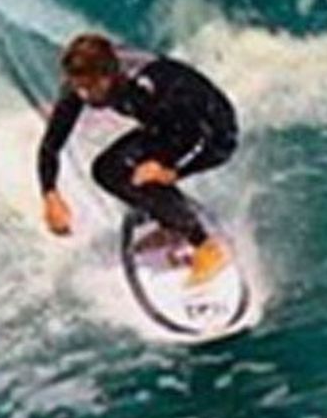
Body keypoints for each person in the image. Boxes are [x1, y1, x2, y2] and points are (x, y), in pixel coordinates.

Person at [37, 32, 238, 285]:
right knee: (107, 170)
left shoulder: (148, 86)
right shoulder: (84, 83)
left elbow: (209, 139)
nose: (83, 96)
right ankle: (172, 223)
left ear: (108, 76)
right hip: (164, 125)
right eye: (78, 87)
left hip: (212, 130)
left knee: (145, 174)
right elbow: (51, 145)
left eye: (89, 88)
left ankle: (207, 246)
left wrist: (172, 172)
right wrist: (50, 194)